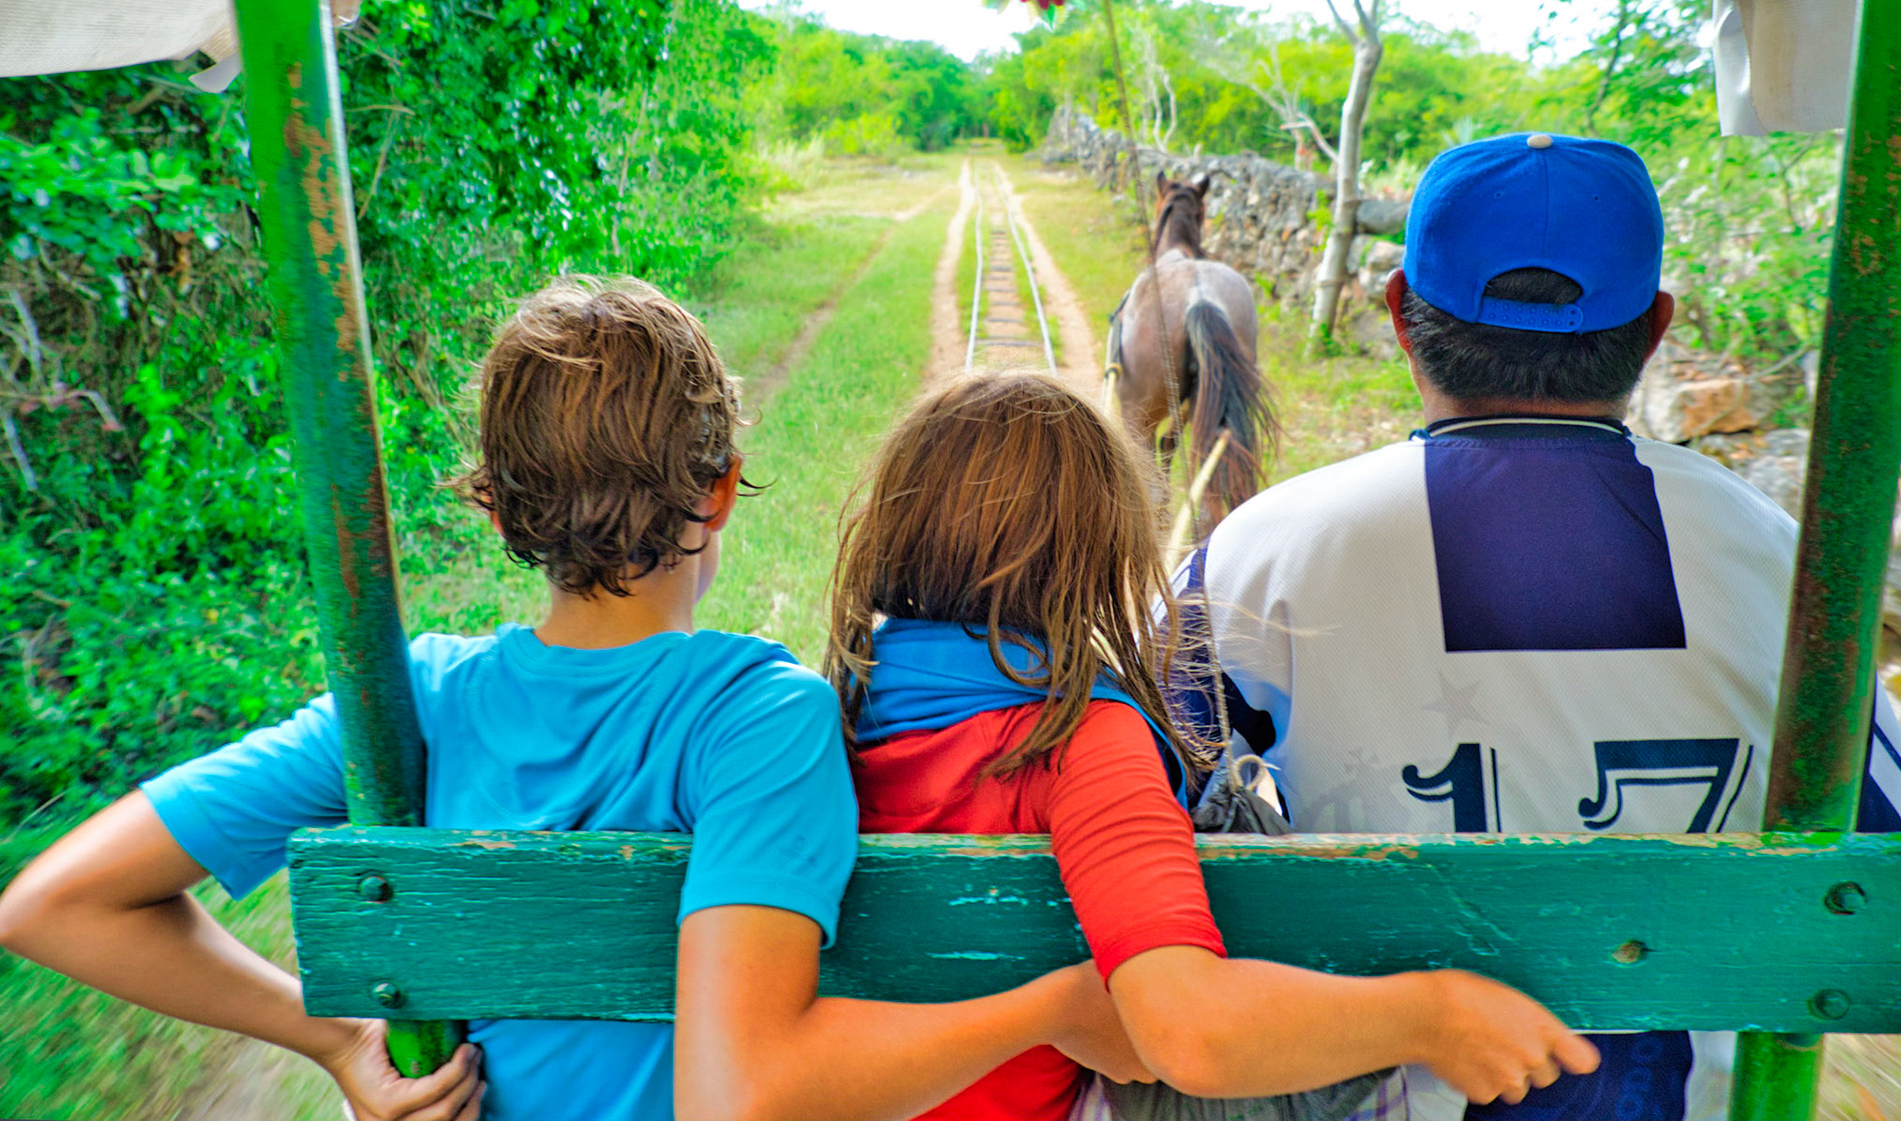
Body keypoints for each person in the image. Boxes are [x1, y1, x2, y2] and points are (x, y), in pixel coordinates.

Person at [0, 278, 1142, 1121]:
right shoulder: (759, 717)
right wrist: (1051, 1007)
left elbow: (51, 903)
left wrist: (340, 1040)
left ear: (495, 510)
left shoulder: (409, 703)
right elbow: (741, 1096)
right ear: (723, 490)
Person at [1177, 132, 1901, 1121]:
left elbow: (1143, 793)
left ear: (1399, 312)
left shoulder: (1257, 554)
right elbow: (1873, 858)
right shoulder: (1790, 564)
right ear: (1654, 329)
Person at [825, 369, 1600, 1121]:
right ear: (1102, 553)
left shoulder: (828, 718)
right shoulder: (1078, 742)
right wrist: (1432, 1014)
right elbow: (1186, 1034)